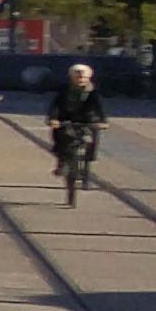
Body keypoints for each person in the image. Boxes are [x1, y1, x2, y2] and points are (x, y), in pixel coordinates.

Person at [46, 61, 109, 205]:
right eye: (77, 77)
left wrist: (102, 121)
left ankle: (88, 162)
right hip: (66, 119)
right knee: (60, 135)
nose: (80, 79)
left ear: (88, 78)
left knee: (92, 137)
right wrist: (53, 118)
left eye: (83, 77)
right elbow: (55, 106)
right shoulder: (64, 90)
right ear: (72, 77)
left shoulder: (92, 91)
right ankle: (61, 159)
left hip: (86, 120)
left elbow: (98, 107)